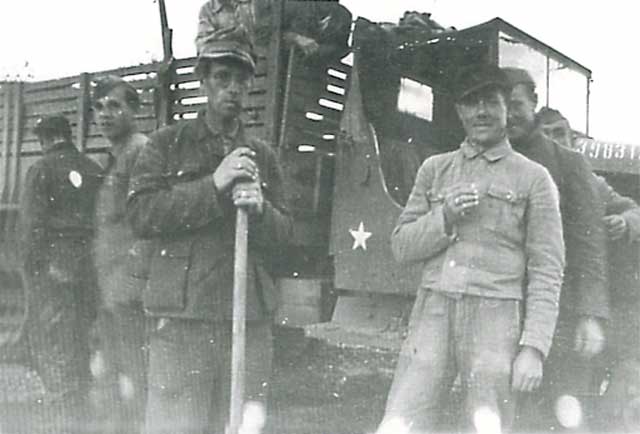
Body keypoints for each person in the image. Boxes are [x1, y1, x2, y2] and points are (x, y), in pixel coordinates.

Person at [376, 64, 565, 434]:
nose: (481, 112)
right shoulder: (435, 169)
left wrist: (534, 348)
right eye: (470, 103)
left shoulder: (534, 178)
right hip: (433, 311)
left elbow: (548, 268)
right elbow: (401, 246)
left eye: (490, 102)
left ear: (507, 108)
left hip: (495, 318)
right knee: (402, 420)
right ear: (459, 111)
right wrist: (444, 216)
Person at [127, 33, 293, 433]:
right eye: (222, 77)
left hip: (247, 320)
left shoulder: (262, 156)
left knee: (240, 426)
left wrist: (260, 211)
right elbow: (141, 214)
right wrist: (213, 186)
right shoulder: (167, 144)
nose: (232, 88)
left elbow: (286, 237)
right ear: (203, 81)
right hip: (184, 320)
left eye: (242, 80)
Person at [503, 67, 609, 431]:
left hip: (559, 312)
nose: (509, 114)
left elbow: (590, 246)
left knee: (562, 411)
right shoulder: (488, 160)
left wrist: (590, 314)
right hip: (502, 310)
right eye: (502, 105)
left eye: (517, 104)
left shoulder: (568, 163)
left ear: (534, 103)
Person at [18, 114, 102, 433]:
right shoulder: (93, 168)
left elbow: (31, 227)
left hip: (54, 272)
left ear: (44, 140)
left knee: (56, 349)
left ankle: (64, 424)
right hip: (90, 270)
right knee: (81, 345)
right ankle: (82, 419)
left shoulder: (40, 169)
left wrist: (32, 272)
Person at [91, 75, 151, 433]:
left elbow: (147, 222)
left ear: (134, 110)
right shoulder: (115, 156)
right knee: (114, 370)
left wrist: (133, 284)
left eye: (114, 105)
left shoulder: (139, 151)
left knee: (137, 372)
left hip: (128, 288)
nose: (104, 114)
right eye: (99, 107)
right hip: (110, 284)